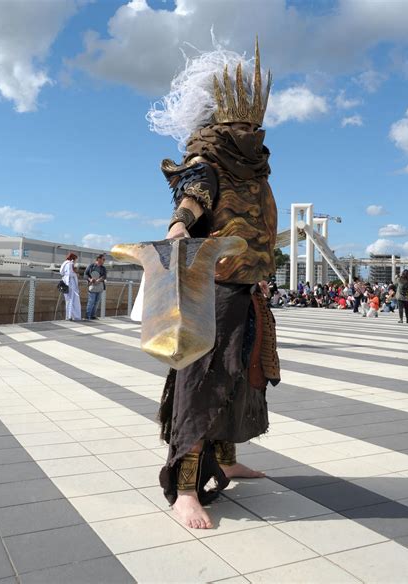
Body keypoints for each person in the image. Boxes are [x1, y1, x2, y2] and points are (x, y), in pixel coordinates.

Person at [145, 40, 280, 529]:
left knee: (241, 380)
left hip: (245, 289)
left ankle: (225, 459)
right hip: (212, 291)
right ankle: (184, 490)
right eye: (241, 124)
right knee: (200, 383)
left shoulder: (257, 171)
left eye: (254, 124)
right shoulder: (209, 160)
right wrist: (181, 223)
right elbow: (195, 192)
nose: (250, 130)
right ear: (223, 123)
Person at [84, 254, 107, 320]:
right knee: (91, 301)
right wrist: (90, 279)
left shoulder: (103, 268)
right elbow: (85, 275)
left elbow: (104, 276)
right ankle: (87, 316)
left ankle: (93, 315)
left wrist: (98, 280)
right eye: (103, 259)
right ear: (98, 259)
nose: (104, 261)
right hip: (92, 286)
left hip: (100, 287)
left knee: (96, 302)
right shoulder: (91, 266)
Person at [59, 253, 81, 321]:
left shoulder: (64, 264)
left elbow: (62, 273)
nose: (75, 261)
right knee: (73, 299)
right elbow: (70, 273)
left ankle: (68, 316)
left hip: (65, 282)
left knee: (68, 300)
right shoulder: (70, 264)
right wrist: (76, 274)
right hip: (71, 283)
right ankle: (72, 316)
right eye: (75, 260)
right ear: (73, 259)